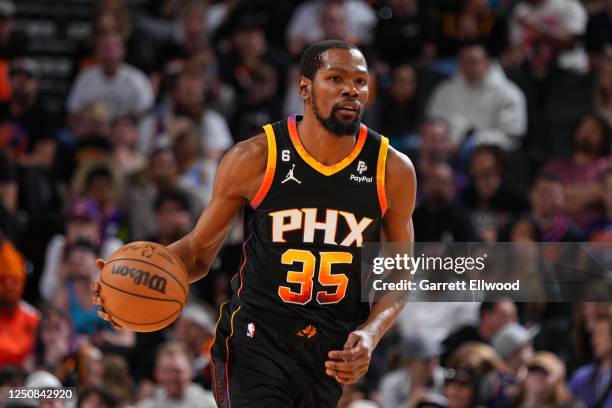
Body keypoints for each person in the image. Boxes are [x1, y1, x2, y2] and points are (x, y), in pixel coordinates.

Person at [94, 39, 416, 407]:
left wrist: (372, 333)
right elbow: (198, 254)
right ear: (304, 88)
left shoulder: (392, 169)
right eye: (336, 78)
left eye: (360, 81)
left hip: (327, 349)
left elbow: (400, 274)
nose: (350, 90)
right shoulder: (255, 158)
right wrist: (128, 282)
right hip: (254, 339)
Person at [137, 341, 216, 408]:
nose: (171, 377)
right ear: (157, 373)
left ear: (191, 371)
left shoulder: (209, 404)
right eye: (167, 371)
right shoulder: (148, 405)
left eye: (177, 371)